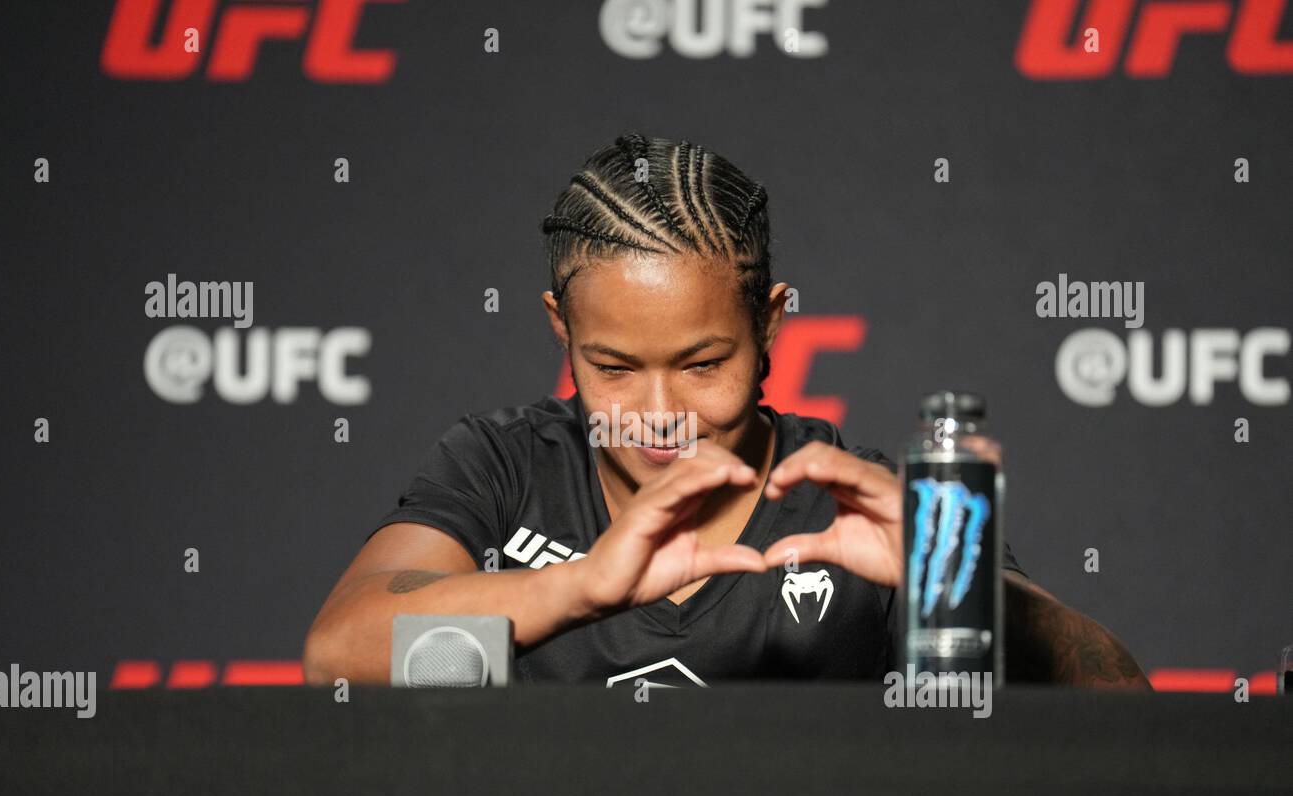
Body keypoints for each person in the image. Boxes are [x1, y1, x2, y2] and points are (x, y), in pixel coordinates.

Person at [303, 132, 1150, 690]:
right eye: (614, 368)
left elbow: (1121, 700)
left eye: (704, 363)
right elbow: (338, 654)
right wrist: (580, 587)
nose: (661, 413)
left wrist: (955, 585)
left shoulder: (855, 512)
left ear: (770, 322)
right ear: (561, 331)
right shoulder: (504, 468)